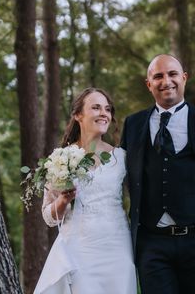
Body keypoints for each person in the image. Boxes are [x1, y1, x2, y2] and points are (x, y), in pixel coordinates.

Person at [120, 54, 195, 294]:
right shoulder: (133, 124)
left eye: (173, 74)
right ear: (148, 84)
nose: (167, 81)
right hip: (152, 243)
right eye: (158, 76)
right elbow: (121, 175)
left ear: (184, 78)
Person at [34, 88, 137, 294]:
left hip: (117, 247)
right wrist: (63, 201)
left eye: (107, 109)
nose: (104, 113)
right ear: (78, 115)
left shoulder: (122, 157)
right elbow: (49, 216)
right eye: (96, 107)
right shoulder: (60, 159)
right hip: (80, 248)